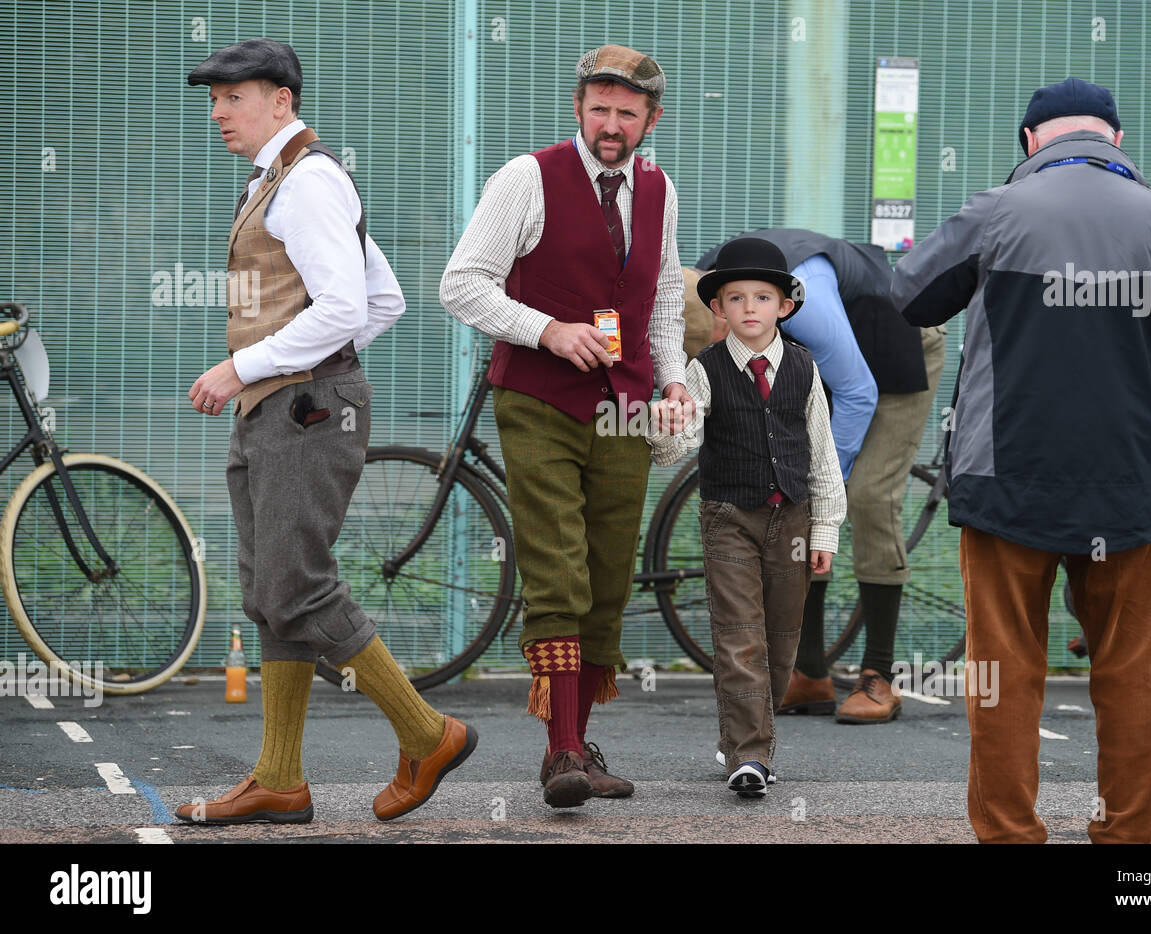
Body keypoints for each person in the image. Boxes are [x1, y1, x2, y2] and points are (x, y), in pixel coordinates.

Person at [891, 77, 1151, 843]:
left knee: (1005, 674)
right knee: (1131, 674)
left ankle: (1010, 835)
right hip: (1134, 485)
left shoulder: (996, 211)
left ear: (1031, 141)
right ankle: (1128, 838)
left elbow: (910, 295)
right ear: (1117, 141)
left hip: (1007, 485)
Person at [176, 39, 476, 825]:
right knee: (273, 593)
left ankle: (427, 730)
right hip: (287, 405)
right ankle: (279, 779)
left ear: (281, 100)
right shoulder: (287, 178)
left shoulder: (306, 182)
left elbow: (346, 309)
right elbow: (384, 300)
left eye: (231, 98)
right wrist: (303, 370)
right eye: (213, 99)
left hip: (300, 409)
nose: (218, 113)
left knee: (295, 585)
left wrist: (253, 369)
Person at [440, 44, 692, 808]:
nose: (610, 124)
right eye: (599, 108)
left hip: (624, 407)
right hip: (540, 398)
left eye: (626, 112)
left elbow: (666, 301)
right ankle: (559, 757)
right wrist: (549, 330)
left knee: (609, 575)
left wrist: (674, 375)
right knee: (559, 569)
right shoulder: (528, 177)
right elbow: (461, 284)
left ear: (651, 119)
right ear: (578, 107)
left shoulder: (658, 189)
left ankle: (581, 741)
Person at [698, 230, 943, 723]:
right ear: (717, 306)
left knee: (868, 495)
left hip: (889, 357)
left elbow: (857, 391)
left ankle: (879, 675)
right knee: (795, 507)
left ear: (780, 304)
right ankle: (808, 674)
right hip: (821, 364)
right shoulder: (714, 288)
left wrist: (822, 486)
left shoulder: (801, 299)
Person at [647, 237, 846, 797]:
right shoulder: (703, 370)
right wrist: (664, 423)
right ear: (718, 309)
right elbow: (675, 447)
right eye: (736, 298)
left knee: (781, 642)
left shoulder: (806, 370)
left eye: (763, 297)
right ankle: (749, 755)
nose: (750, 308)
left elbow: (824, 456)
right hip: (728, 515)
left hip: (795, 521)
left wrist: (825, 528)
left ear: (785, 305)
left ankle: (746, 735)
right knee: (739, 639)